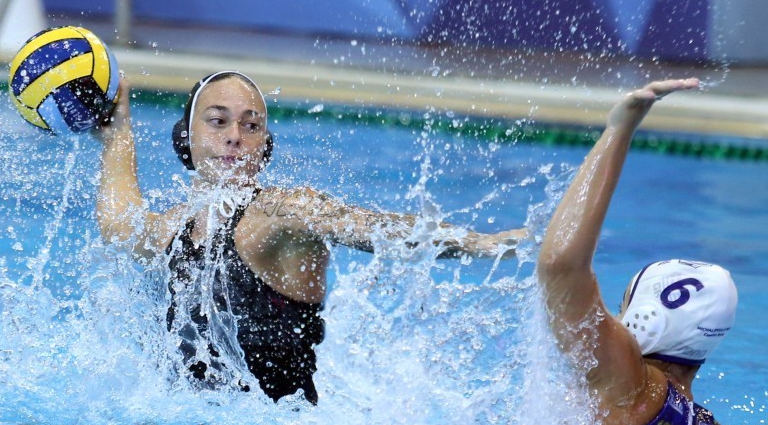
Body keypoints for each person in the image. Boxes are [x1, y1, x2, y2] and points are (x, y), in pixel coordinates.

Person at [96, 71, 526, 405]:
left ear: (265, 147)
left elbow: (369, 227)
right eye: (218, 121)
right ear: (185, 137)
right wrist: (117, 132)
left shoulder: (280, 214)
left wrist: (476, 244)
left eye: (251, 126)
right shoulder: (173, 227)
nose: (234, 136)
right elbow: (120, 225)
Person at [536, 79, 745, 425]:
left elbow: (560, 267)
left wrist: (619, 128)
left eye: (622, 306)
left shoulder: (626, 382)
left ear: (645, 321)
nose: (614, 319)